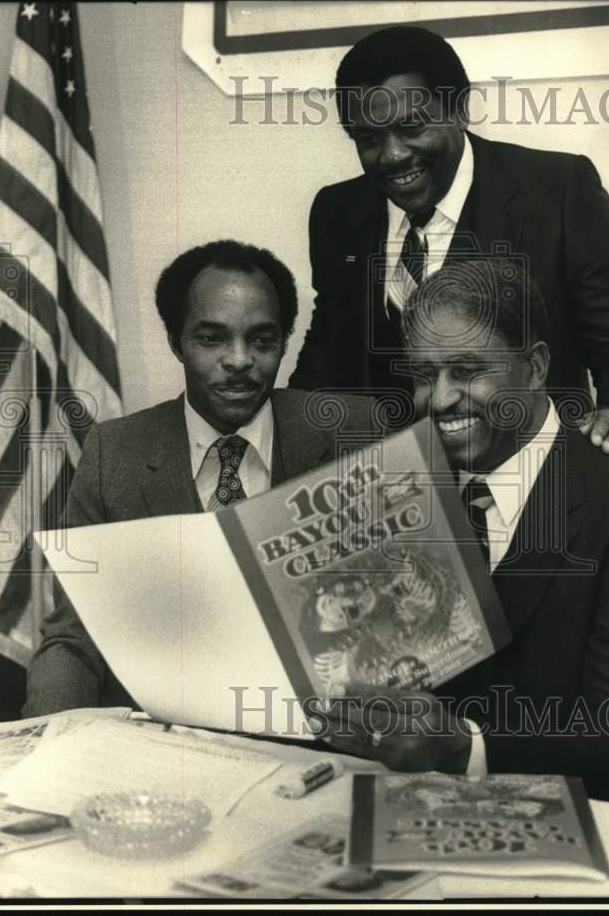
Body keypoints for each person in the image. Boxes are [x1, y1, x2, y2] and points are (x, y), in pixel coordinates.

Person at [309, 258, 609, 808]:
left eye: (467, 370)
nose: (440, 399)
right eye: (424, 375)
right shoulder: (399, 490)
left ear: (535, 368)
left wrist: (464, 749)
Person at [23, 240, 381, 717]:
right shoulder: (115, 454)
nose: (239, 360)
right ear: (176, 341)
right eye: (211, 338)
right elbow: (74, 637)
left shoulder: (355, 433)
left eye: (262, 340)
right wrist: (47, 744)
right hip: (169, 751)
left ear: (285, 341)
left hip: (323, 741)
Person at [289, 25, 609, 461]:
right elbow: (328, 350)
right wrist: (288, 439)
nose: (392, 155)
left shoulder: (557, 190)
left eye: (412, 127)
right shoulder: (335, 211)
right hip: (394, 490)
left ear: (459, 110)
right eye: (368, 139)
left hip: (536, 481)